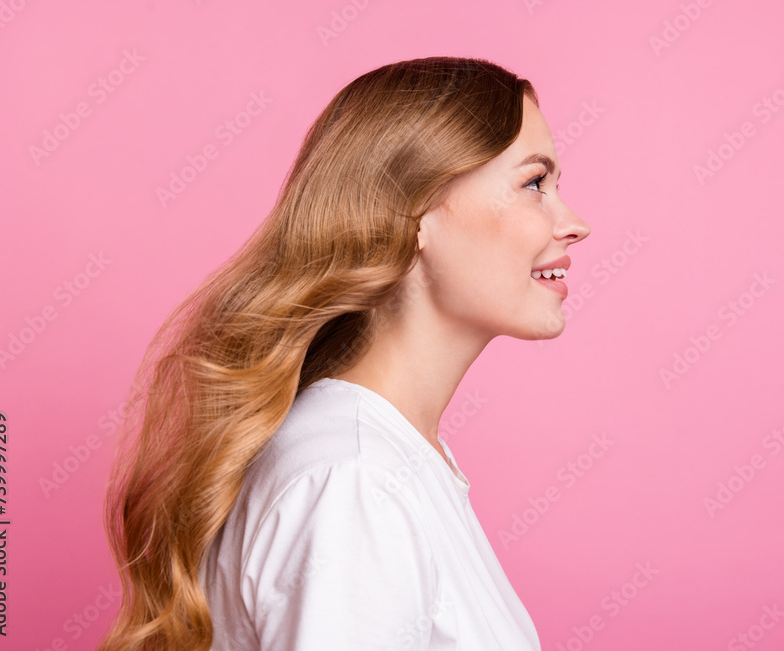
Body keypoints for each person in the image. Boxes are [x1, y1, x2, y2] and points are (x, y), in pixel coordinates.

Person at [98, 55, 591, 650]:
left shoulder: (380, 460)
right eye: (534, 184)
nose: (575, 223)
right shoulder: (355, 484)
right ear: (414, 210)